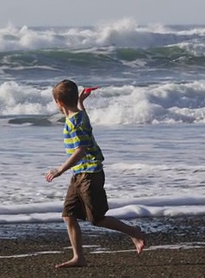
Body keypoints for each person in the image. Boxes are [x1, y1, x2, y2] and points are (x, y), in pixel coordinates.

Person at [45, 79, 146, 268]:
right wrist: (81, 101)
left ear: (58, 102)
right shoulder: (79, 115)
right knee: (68, 215)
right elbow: (82, 114)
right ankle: (79, 257)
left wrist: (59, 170)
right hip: (79, 175)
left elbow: (81, 150)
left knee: (97, 219)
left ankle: (134, 232)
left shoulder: (75, 122)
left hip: (89, 175)